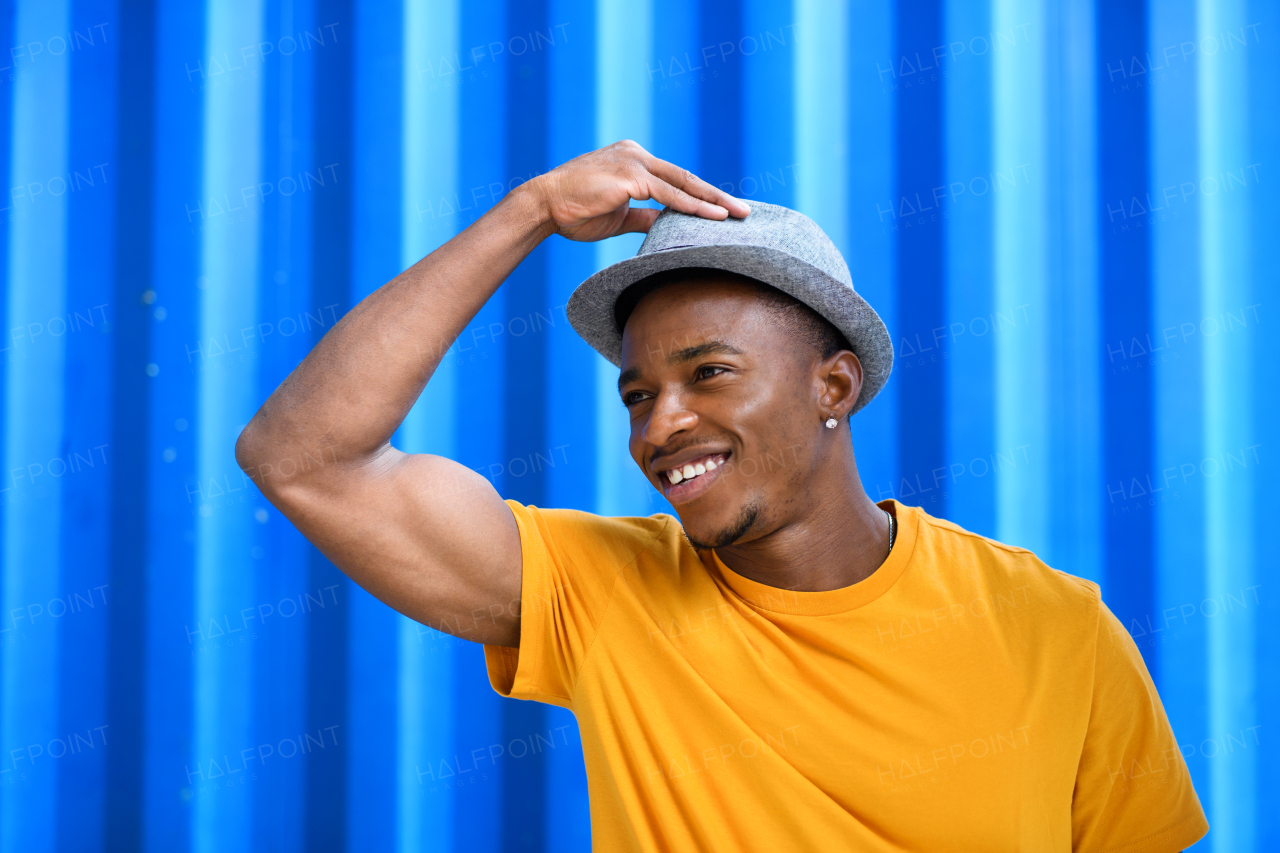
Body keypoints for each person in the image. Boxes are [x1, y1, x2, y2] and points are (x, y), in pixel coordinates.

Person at [236, 141, 1208, 851]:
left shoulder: (1051, 625)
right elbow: (304, 459)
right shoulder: (598, 593)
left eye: (708, 373)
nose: (659, 426)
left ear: (833, 386)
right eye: (637, 393)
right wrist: (526, 211)